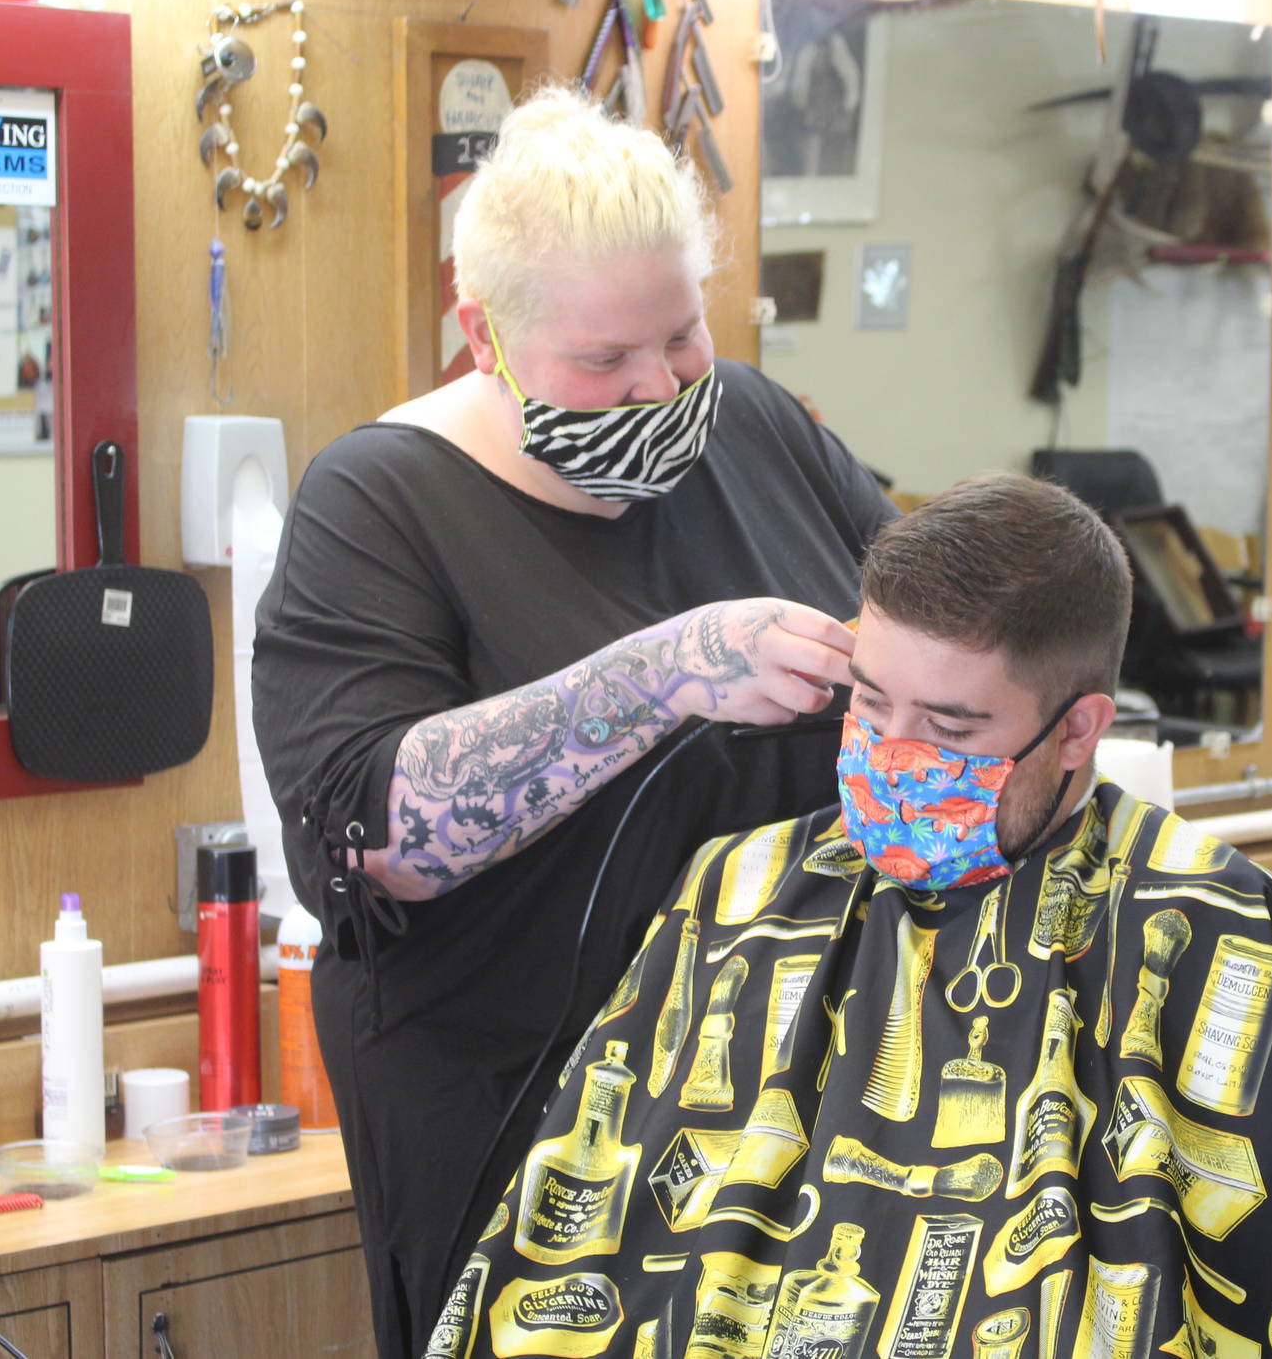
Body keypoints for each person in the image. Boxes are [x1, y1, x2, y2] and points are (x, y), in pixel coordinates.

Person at [425, 474, 1272, 1359]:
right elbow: (574, 1258)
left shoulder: (1213, 929)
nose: (888, 753)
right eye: (869, 703)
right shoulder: (738, 891)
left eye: (948, 727)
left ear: (1078, 732)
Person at [252, 85, 896, 1359]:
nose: (658, 387)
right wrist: (661, 674)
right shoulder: (376, 504)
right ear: (482, 334)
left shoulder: (757, 428)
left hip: (802, 1109)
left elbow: (926, 621)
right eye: (602, 362)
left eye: (683, 337)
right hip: (526, 1132)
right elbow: (376, 832)